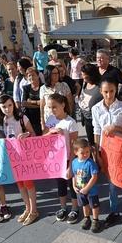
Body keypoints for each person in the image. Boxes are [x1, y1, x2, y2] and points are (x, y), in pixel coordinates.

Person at [92, 79, 122, 230]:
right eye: (105, 91)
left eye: (111, 91)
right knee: (111, 185)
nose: (109, 94)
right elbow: (97, 131)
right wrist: (97, 152)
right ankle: (114, 211)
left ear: (116, 90)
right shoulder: (96, 109)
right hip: (106, 151)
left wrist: (115, 128)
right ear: (100, 91)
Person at [0, 94, 38, 225]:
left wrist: (26, 134)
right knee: (20, 184)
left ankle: (34, 211)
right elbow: (5, 136)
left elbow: (34, 134)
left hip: (25, 157)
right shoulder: (3, 120)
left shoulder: (22, 118)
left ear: (13, 104)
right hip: (13, 157)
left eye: (9, 105)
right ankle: (27, 208)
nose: (7, 109)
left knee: (29, 184)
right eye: (4, 106)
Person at [43, 93, 79, 224]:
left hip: (68, 158)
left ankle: (75, 208)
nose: (52, 110)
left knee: (71, 184)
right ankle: (63, 207)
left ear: (63, 105)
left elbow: (74, 145)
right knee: (60, 184)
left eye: (54, 107)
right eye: (49, 107)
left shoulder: (71, 122)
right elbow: (43, 138)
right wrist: (50, 132)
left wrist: (70, 165)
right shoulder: (50, 119)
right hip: (56, 159)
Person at [72, 138, 102, 233]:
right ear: (76, 152)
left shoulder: (90, 163)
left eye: (87, 152)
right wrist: (74, 186)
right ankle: (86, 218)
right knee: (84, 204)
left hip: (91, 190)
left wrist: (87, 188)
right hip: (80, 190)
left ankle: (95, 220)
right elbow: (74, 175)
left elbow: (94, 177)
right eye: (82, 153)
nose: (85, 154)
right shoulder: (74, 162)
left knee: (94, 205)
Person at [40, 65, 73, 130]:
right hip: (49, 119)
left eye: (57, 73)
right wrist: (42, 122)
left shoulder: (64, 85)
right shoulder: (43, 88)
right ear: (48, 74)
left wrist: (68, 116)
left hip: (63, 118)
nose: (57, 75)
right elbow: (42, 106)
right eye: (54, 73)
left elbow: (70, 102)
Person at [77, 64, 102, 145]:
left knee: (98, 144)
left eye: (86, 77)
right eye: (83, 76)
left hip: (96, 121)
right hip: (86, 119)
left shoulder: (100, 86)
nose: (84, 79)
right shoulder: (85, 83)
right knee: (91, 143)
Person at [22, 67, 43, 136]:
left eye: (33, 75)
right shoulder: (26, 88)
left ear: (37, 76)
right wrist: (37, 103)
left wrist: (31, 101)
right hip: (31, 119)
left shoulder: (43, 87)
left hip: (42, 117)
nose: (31, 77)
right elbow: (24, 103)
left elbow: (44, 103)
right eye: (29, 76)